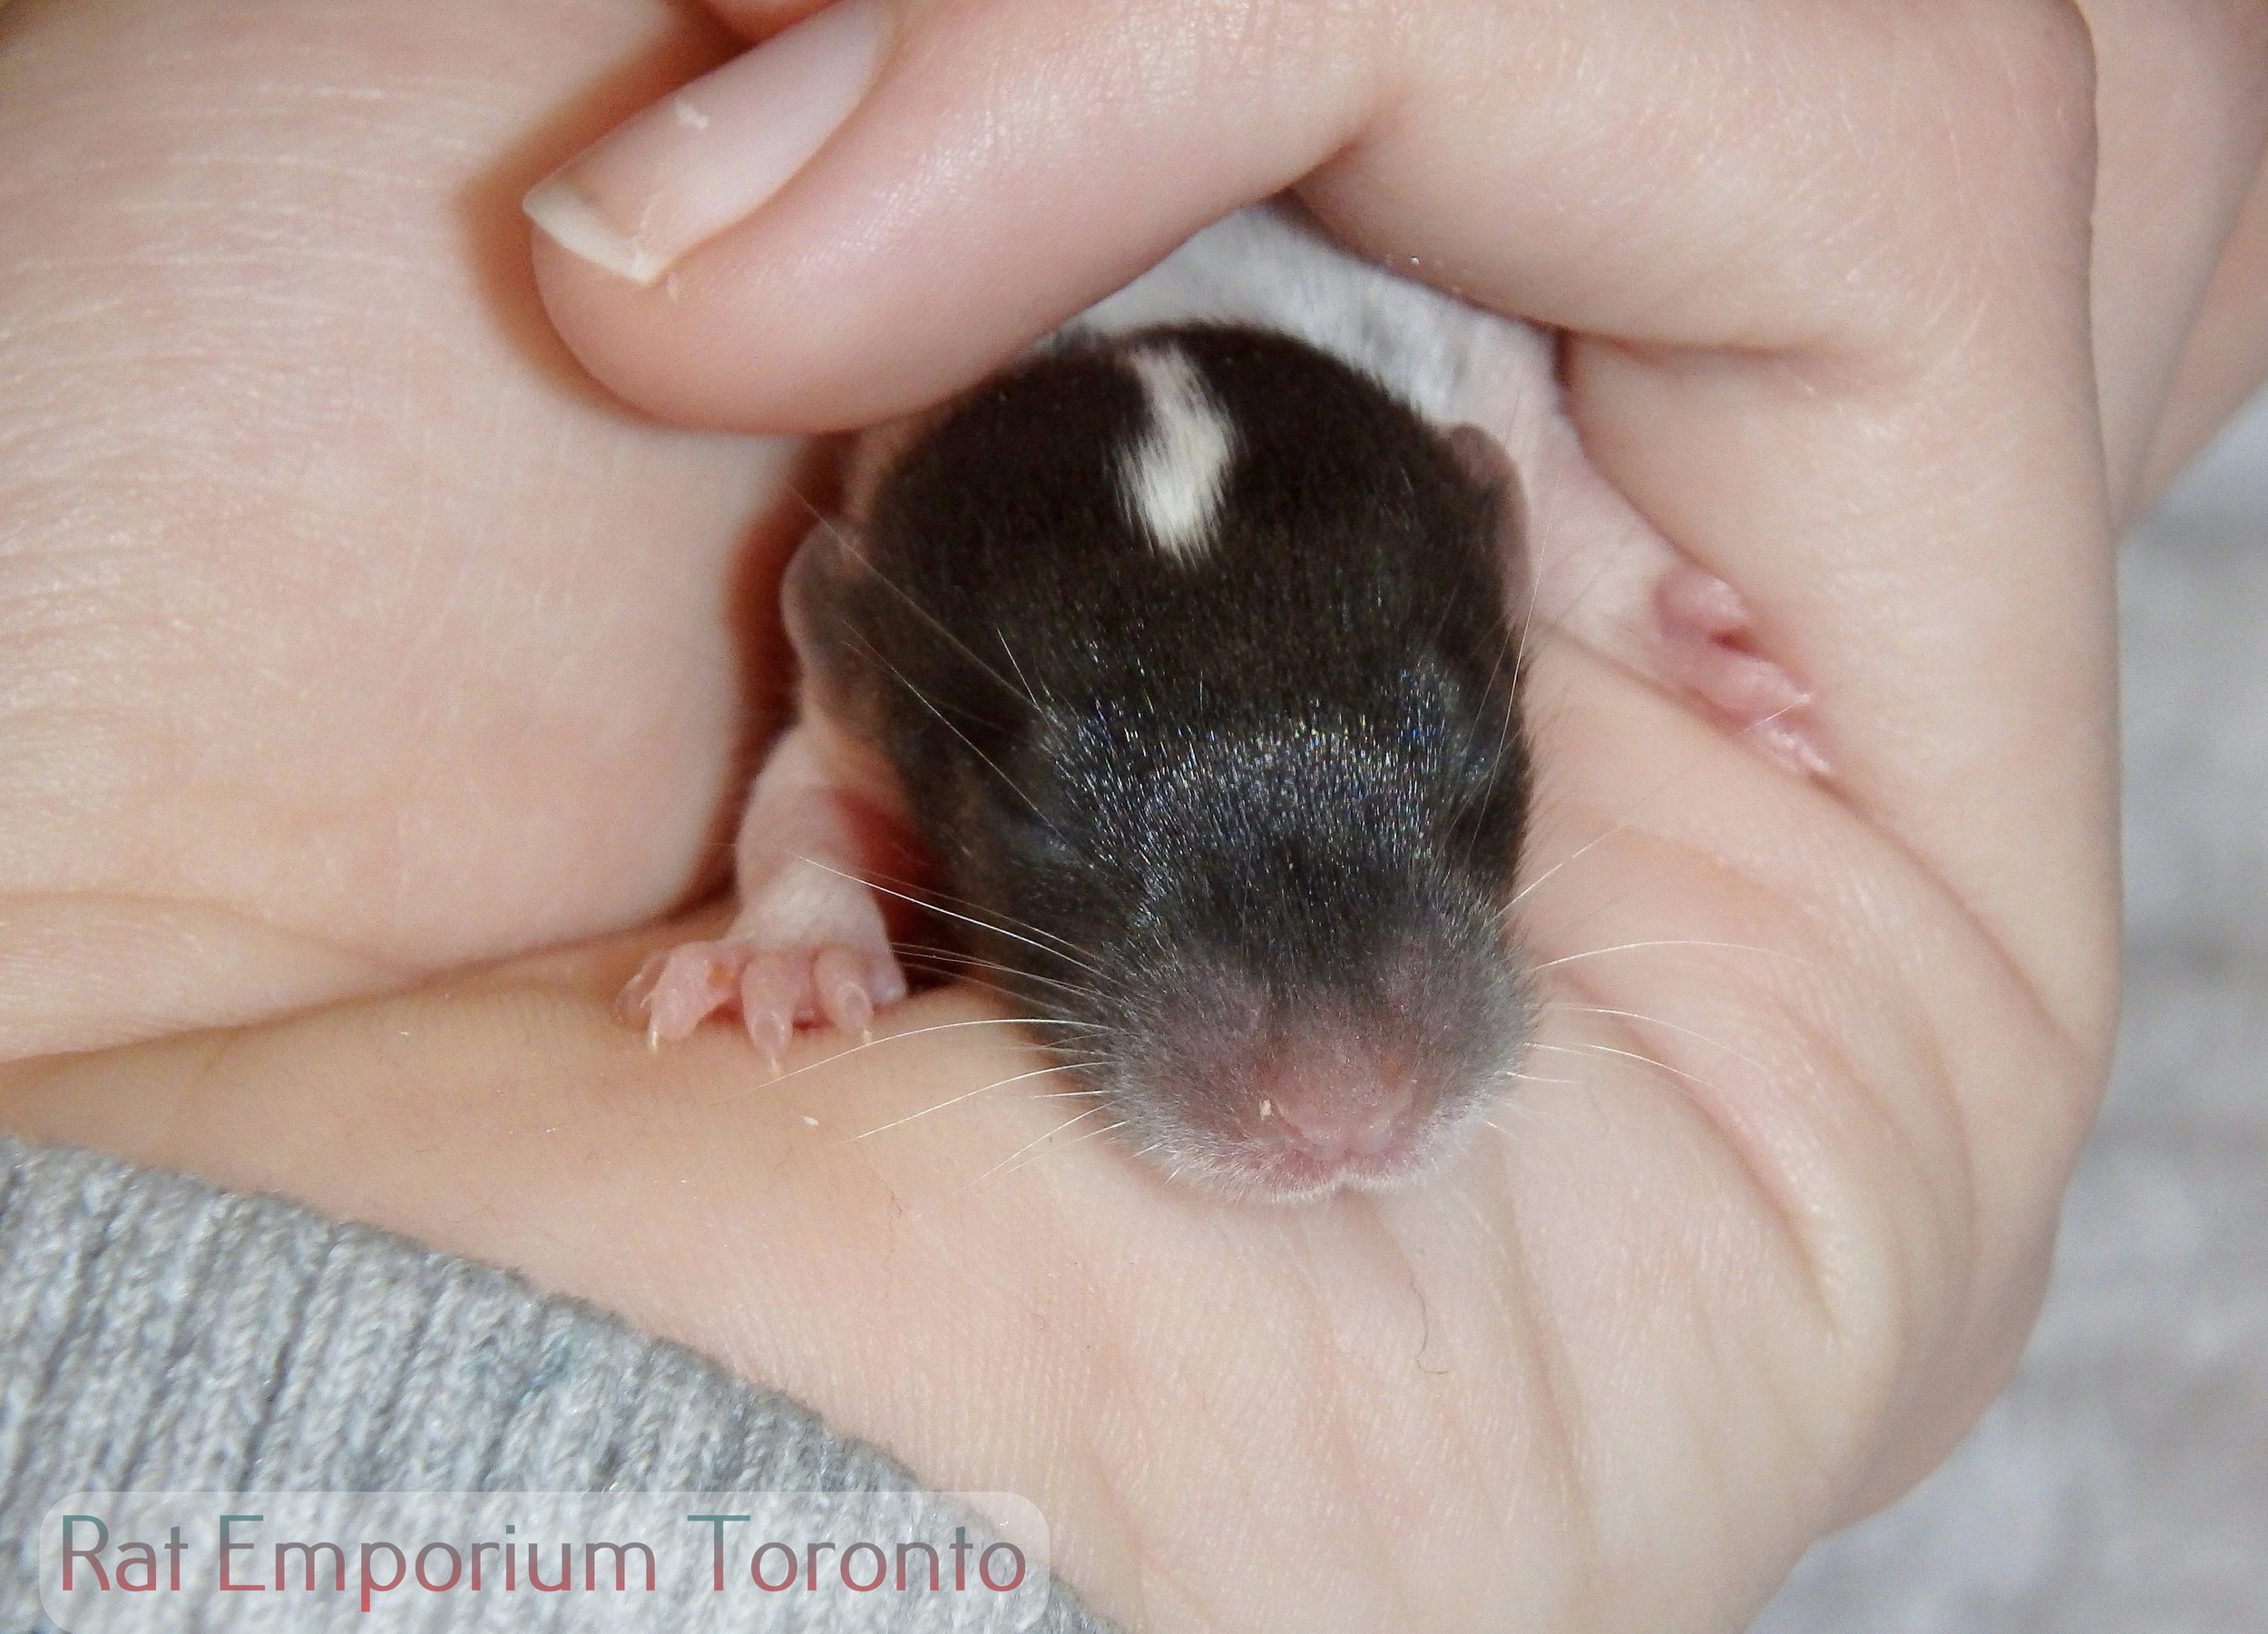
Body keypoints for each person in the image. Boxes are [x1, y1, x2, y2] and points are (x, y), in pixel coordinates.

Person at [2, 0, 2264, 1628]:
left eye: (1438, 772)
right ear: (845, 644)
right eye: (1088, 826)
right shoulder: (900, 604)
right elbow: (829, 791)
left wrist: (1641, 598)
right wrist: (798, 904)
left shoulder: (1448, 407)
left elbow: (1525, 487)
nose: (1333, 1076)